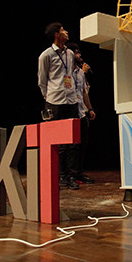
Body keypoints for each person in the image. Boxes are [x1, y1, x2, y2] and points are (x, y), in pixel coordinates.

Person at [37, 22, 80, 190]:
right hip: (55, 102)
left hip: (71, 100)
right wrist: (49, 98)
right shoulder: (46, 55)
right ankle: (61, 175)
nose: (66, 32)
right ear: (56, 34)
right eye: (63, 30)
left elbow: (70, 75)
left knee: (73, 142)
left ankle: (71, 175)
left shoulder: (70, 53)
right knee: (58, 142)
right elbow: (42, 81)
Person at [65, 42, 96, 184]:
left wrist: (90, 109)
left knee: (82, 144)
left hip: (81, 112)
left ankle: (78, 173)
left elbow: (84, 92)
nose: (79, 55)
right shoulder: (66, 71)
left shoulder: (80, 72)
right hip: (70, 110)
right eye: (76, 52)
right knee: (72, 146)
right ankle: (69, 174)